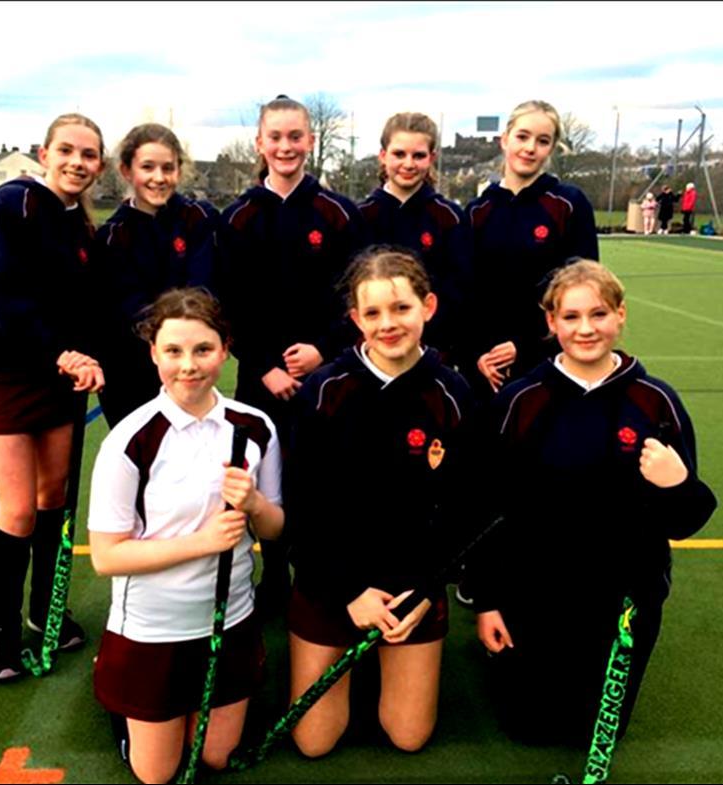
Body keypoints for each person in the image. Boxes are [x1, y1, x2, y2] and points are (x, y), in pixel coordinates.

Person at [468, 260, 716, 745]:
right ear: (551, 322)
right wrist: (488, 600)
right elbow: (484, 508)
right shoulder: (519, 401)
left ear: (620, 315)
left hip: (621, 599)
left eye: (598, 314)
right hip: (533, 595)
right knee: (530, 729)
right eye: (571, 317)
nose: (586, 329)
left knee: (595, 732)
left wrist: (678, 485)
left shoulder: (655, 402)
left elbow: (686, 520)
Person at [285, 247, 478, 758]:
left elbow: (463, 510)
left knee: (408, 735)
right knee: (314, 741)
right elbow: (302, 510)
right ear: (355, 319)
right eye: (372, 313)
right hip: (333, 579)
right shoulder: (323, 391)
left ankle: (388, 661)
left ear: (428, 307)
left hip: (411, 584)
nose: (388, 324)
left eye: (401, 308)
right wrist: (349, 591)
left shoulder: (454, 393)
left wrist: (426, 589)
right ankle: (348, 652)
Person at [88, 288, 284, 784]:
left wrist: (254, 504)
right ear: (153, 353)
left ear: (225, 350)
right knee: (159, 773)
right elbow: (107, 558)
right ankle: (120, 698)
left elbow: (275, 527)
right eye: (173, 351)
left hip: (229, 619)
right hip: (154, 629)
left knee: (216, 756)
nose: (188, 366)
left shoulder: (255, 427)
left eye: (203, 350)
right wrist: (203, 542)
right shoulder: (130, 439)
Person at [0, 113, 107, 681]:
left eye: (88, 155)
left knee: (53, 498)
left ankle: (46, 610)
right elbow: (5, 297)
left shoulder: (79, 224)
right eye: (66, 150)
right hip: (3, 371)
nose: (77, 163)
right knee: (17, 509)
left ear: (100, 165)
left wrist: (88, 355)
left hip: (57, 374)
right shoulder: (11, 204)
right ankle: (0, 632)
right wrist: (62, 353)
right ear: (45, 153)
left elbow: (85, 306)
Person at [218, 95, 365, 617]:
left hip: (328, 376)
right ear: (259, 143)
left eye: (295, 136)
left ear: (310, 141)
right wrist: (264, 366)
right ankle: (274, 576)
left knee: (322, 475)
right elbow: (227, 304)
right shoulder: (236, 218)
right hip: (262, 381)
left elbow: (355, 294)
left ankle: (318, 575)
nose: (286, 147)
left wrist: (324, 349)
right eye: (276, 137)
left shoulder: (339, 213)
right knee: (266, 477)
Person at [465, 99, 598, 398]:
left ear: (551, 149)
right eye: (522, 137)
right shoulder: (476, 211)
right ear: (505, 140)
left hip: (546, 363)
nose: (530, 148)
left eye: (542, 141)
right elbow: (467, 291)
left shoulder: (569, 204)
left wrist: (525, 345)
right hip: (486, 367)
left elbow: (583, 288)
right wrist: (476, 354)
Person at [92, 123, 219, 428]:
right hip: (130, 374)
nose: (159, 178)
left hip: (189, 368)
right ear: (126, 171)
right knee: (143, 454)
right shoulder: (112, 236)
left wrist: (183, 346)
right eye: (147, 167)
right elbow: (125, 306)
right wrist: (165, 338)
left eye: (168, 168)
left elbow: (203, 289)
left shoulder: (200, 218)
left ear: (179, 170)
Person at [358, 113, 468, 364]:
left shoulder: (449, 217)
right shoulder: (361, 216)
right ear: (383, 155)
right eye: (399, 154)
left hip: (431, 353)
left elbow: (459, 290)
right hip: (372, 353)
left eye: (418, 155)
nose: (408, 164)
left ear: (432, 158)